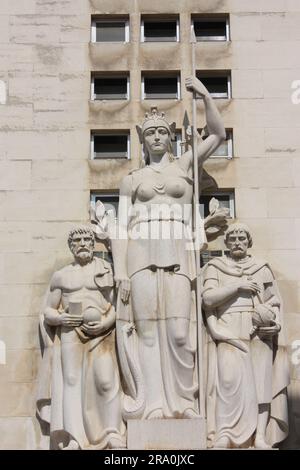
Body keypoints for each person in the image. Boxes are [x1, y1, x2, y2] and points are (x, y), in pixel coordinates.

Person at [111, 76, 226, 419]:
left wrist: (205, 95)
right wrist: (119, 272)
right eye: (150, 133)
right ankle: (150, 405)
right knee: (146, 331)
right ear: (143, 140)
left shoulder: (185, 166)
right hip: (140, 252)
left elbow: (218, 134)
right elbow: (119, 227)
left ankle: (182, 403)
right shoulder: (131, 179)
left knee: (178, 332)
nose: (157, 137)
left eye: (162, 132)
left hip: (178, 248)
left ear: (171, 137)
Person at [36, 226, 126, 450]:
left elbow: (118, 306)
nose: (83, 243)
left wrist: (106, 322)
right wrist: (61, 319)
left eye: (87, 239)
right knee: (71, 382)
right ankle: (74, 438)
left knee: (106, 381)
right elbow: (48, 310)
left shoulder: (105, 270)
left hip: (102, 332)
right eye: (78, 240)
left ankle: (112, 432)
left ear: (94, 243)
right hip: (70, 332)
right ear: (71, 246)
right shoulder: (62, 275)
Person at [202, 223, 289, 448]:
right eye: (233, 239)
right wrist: (238, 286)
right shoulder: (215, 266)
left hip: (258, 330)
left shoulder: (261, 268)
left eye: (242, 238)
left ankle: (259, 436)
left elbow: (274, 301)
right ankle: (225, 433)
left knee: (262, 384)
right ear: (227, 242)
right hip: (228, 327)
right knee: (228, 382)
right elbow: (208, 299)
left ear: (249, 242)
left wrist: (276, 323)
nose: (237, 242)